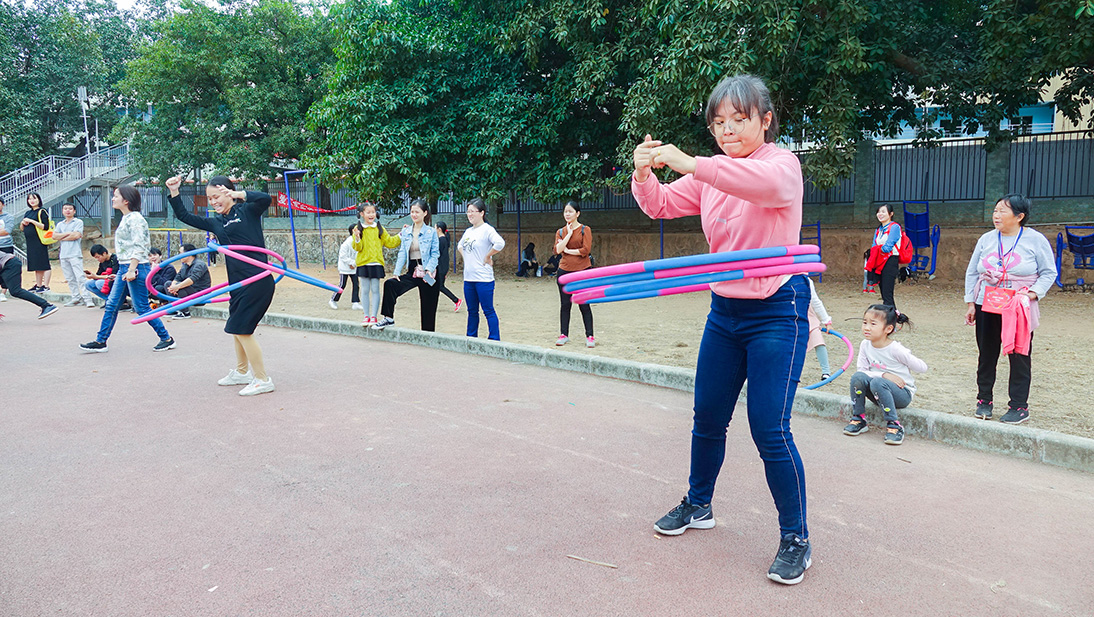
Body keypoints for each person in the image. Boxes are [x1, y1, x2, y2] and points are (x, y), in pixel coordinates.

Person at [632, 74, 812, 585]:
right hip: (725, 309)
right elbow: (660, 206)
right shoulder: (710, 174)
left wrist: (698, 165)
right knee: (707, 416)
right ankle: (699, 503)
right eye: (718, 122)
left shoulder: (781, 165)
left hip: (779, 306)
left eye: (739, 119)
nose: (727, 130)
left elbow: (765, 187)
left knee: (769, 428)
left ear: (765, 120)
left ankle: (796, 536)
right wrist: (644, 173)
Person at [167, 175, 276, 396]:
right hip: (236, 284)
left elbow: (265, 199)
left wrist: (240, 195)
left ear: (228, 192)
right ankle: (242, 372)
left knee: (242, 329)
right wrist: (174, 191)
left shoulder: (248, 211)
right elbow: (184, 215)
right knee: (237, 329)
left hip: (257, 280)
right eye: (209, 198)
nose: (213, 202)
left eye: (216, 196)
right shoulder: (215, 222)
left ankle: (263, 379)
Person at [964, 193, 1056, 425]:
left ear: (1019, 216)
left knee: (1019, 355)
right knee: (987, 354)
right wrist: (970, 302)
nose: (996, 215)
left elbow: (1049, 272)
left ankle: (1018, 406)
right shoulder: (986, 239)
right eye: (995, 211)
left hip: (1017, 307)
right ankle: (984, 400)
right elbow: (973, 271)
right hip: (987, 302)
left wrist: (1033, 293)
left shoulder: (1035, 240)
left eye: (1002, 211)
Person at [79, 186, 175, 353]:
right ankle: (101, 341)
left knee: (142, 307)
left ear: (126, 200)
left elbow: (139, 246)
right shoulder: (126, 218)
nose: (112, 198)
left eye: (116, 196)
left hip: (135, 267)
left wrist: (131, 269)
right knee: (111, 305)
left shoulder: (136, 219)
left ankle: (166, 338)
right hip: (125, 267)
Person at [842, 305, 927, 445]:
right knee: (858, 377)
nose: (867, 327)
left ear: (888, 329)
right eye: (864, 322)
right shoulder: (865, 344)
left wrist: (907, 358)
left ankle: (894, 425)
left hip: (901, 394)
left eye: (873, 324)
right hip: (878, 390)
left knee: (877, 382)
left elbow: (923, 368)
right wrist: (884, 374)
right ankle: (859, 418)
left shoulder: (895, 349)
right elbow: (861, 371)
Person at [373, 199, 439, 331]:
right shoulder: (407, 231)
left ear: (425, 213)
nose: (414, 214)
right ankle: (388, 318)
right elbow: (402, 253)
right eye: (412, 211)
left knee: (428, 307)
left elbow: (435, 254)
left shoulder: (431, 232)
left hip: (427, 271)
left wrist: (429, 269)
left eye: (417, 212)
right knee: (390, 284)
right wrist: (397, 272)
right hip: (412, 270)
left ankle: (428, 335)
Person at [457, 198, 505, 340]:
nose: (470, 214)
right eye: (468, 211)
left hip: (483, 278)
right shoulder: (468, 231)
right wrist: (467, 258)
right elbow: (460, 246)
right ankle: (471, 338)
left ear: (482, 213)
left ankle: (494, 339)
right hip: (469, 278)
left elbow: (500, 243)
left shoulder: (487, 230)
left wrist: (488, 256)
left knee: (488, 310)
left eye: (473, 211)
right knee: (472, 311)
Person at [553, 201, 595, 348]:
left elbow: (585, 250)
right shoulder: (560, 232)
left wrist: (568, 251)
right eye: (565, 212)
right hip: (564, 271)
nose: (567, 214)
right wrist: (569, 234)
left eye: (570, 211)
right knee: (565, 304)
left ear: (577, 213)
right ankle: (564, 334)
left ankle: (590, 336)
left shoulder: (585, 229)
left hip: (582, 271)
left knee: (584, 304)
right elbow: (557, 250)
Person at [354, 204, 401, 326]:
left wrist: (401, 235)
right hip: (363, 263)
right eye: (368, 212)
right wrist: (357, 237)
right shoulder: (358, 228)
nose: (371, 215)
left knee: (375, 290)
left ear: (376, 213)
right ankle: (366, 316)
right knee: (364, 290)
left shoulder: (379, 228)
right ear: (362, 214)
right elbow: (357, 247)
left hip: (376, 263)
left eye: (373, 212)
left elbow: (390, 242)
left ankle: (374, 317)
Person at [53, 203, 96, 307]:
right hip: (63, 254)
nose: (68, 211)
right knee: (70, 278)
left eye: (70, 209)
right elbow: (54, 236)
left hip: (74, 254)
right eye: (65, 209)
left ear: (74, 211)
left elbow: (76, 235)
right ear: (62, 211)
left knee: (80, 276)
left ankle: (87, 299)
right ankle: (76, 298)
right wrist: (68, 234)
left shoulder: (78, 222)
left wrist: (61, 236)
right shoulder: (60, 224)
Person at [0, 252, 58, 319]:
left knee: (16, 291)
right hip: (6, 265)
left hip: (10, 264)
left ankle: (47, 306)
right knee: (14, 291)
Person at [865, 204, 901, 307]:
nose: (880, 214)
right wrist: (878, 248)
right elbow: (873, 246)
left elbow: (887, 247)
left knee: (887, 293)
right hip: (880, 262)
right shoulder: (878, 229)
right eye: (879, 212)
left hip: (890, 261)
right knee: (884, 293)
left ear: (891, 214)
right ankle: (890, 317)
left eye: (883, 212)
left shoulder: (894, 227)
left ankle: (891, 318)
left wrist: (878, 248)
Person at [167, 243, 211, 319]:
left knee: (182, 286)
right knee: (168, 284)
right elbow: (178, 277)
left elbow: (191, 280)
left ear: (188, 254)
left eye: (181, 253)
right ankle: (174, 309)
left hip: (199, 294)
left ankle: (185, 312)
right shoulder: (185, 265)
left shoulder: (199, 264)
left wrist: (177, 286)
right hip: (190, 291)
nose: (179, 255)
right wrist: (173, 286)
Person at [19, 192, 51, 292]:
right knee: (36, 264)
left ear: (39, 199)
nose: (32, 200)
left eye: (34, 198)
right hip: (31, 242)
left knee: (44, 263)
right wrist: (23, 222)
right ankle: (38, 285)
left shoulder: (42, 211)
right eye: (29, 199)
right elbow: (22, 228)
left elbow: (45, 226)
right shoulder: (28, 213)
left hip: (40, 241)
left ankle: (46, 286)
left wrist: (32, 221)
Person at [330, 224, 362, 311]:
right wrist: (351, 263)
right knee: (342, 285)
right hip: (344, 268)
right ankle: (333, 300)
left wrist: (354, 264)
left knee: (356, 284)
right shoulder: (347, 243)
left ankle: (355, 302)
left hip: (353, 267)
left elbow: (359, 254)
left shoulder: (358, 241)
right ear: (353, 231)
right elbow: (343, 256)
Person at [806, 277, 832, 380]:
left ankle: (826, 372)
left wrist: (827, 321)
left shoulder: (806, 281)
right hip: (790, 317)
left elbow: (816, 302)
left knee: (818, 341)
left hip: (808, 316)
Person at [435, 221, 462, 311]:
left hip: (440, 268)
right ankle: (431, 304)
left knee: (439, 286)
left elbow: (437, 255)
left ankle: (456, 300)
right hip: (442, 267)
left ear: (439, 229)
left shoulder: (441, 240)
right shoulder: (443, 239)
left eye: (435, 227)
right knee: (432, 285)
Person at [0, 196, 16, 302]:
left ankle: (3, 292)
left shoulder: (8, 217)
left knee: (5, 270)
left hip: (5, 245)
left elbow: (7, 231)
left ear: (3, 204)